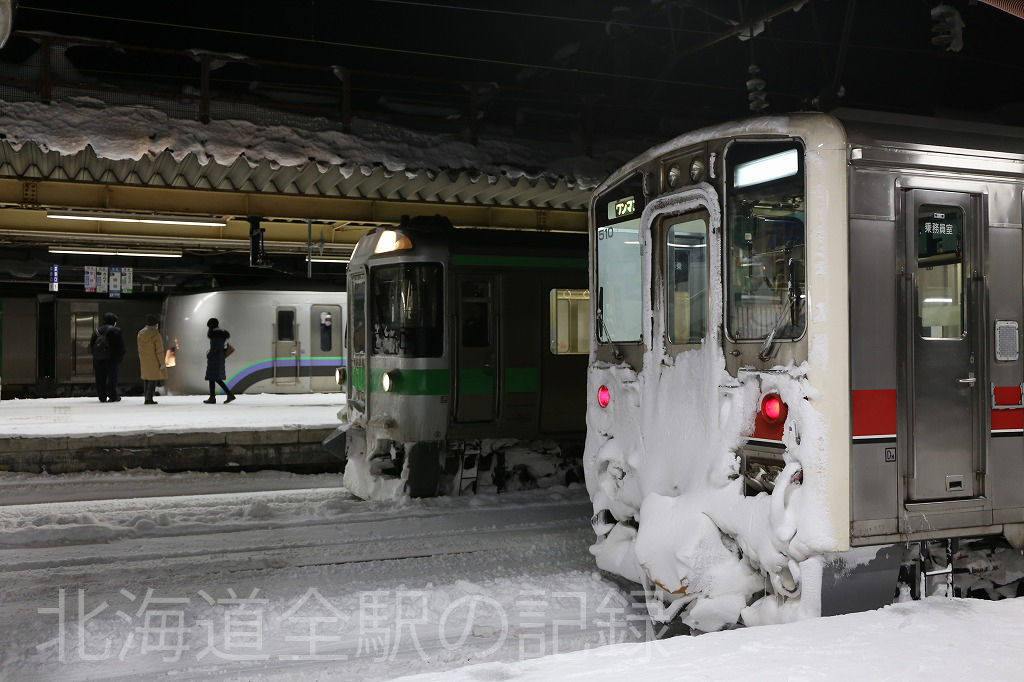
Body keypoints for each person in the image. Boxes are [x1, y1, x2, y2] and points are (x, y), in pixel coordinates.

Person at [90, 312, 125, 403]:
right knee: (112, 378)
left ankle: (102, 396)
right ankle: (113, 396)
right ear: (113, 321)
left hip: (98, 359)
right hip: (111, 359)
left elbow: (91, 346)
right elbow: (120, 347)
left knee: (100, 378)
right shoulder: (116, 331)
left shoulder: (96, 331)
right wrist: (119, 357)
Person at [204, 317, 236, 404]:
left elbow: (215, 347)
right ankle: (213, 397)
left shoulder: (215, 334)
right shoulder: (221, 334)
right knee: (213, 378)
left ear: (211, 326)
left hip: (215, 358)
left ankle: (226, 395)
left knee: (215, 378)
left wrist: (209, 355)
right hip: (219, 357)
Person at [137, 314, 166, 405]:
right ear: (154, 324)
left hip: (144, 359)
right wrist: (162, 363)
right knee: (153, 379)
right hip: (154, 360)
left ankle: (146, 396)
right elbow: (159, 351)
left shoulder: (140, 333)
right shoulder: (156, 335)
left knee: (146, 379)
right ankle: (149, 399)